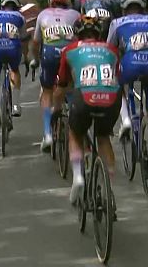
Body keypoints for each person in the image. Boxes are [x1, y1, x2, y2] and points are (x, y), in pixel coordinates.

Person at [52, 15, 122, 204]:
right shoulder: (112, 50)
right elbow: (117, 77)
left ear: (77, 34)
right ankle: (109, 191)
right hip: (112, 98)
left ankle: (77, 177)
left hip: (84, 98)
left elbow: (61, 88)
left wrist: (56, 110)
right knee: (103, 136)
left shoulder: (69, 50)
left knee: (75, 133)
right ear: (99, 34)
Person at [107, 0, 148, 173]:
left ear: (124, 9)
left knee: (116, 85)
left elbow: (110, 50)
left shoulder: (117, 22)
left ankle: (125, 119)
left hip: (131, 64)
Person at [30, 0, 81, 151]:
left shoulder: (43, 14)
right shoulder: (75, 14)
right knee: (71, 89)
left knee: (46, 91)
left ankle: (47, 134)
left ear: (50, 2)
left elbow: (36, 42)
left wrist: (36, 60)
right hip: (70, 52)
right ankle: (76, 128)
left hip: (50, 54)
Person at [0, 0, 27, 133]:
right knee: (14, 71)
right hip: (12, 48)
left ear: (2, 7)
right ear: (16, 7)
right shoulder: (20, 17)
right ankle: (15, 105)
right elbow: (24, 40)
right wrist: (26, 57)